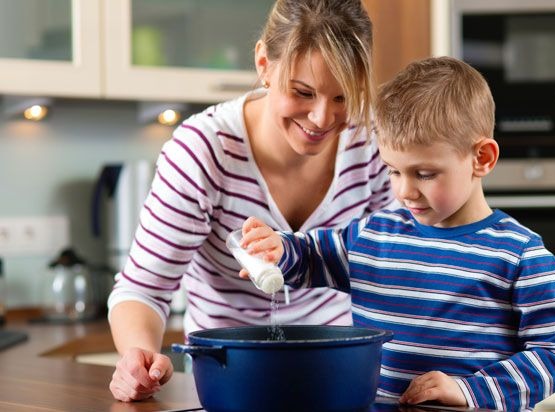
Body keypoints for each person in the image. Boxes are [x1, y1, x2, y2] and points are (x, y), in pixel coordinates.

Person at [238, 56, 555, 411]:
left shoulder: (519, 254)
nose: (405, 191)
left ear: (482, 157)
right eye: (394, 171)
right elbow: (311, 255)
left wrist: (470, 391)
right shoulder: (374, 235)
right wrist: (277, 249)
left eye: (425, 174)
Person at [107, 0, 394, 403]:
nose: (321, 118)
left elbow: (395, 265)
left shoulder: (373, 144)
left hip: (339, 373)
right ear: (264, 63)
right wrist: (138, 357)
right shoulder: (203, 151)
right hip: (230, 377)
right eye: (303, 92)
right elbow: (143, 290)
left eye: (343, 97)